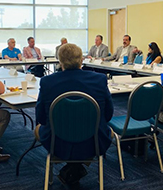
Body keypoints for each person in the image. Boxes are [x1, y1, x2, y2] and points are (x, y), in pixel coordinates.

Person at [35, 43, 113, 185]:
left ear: (59, 61)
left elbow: (41, 118)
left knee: (38, 128)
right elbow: (108, 114)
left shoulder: (47, 82)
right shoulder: (100, 80)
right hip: (93, 141)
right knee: (102, 129)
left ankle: (72, 167)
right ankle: (75, 167)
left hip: (57, 142)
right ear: (81, 59)